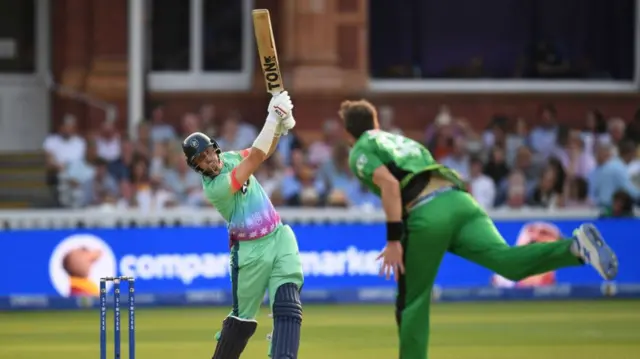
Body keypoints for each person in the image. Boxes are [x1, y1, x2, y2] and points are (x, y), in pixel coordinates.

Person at [338, 99, 619, 359]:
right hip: (462, 202)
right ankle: (574, 248)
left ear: (348, 134)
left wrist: (394, 240)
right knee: (508, 262)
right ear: (376, 122)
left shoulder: (361, 149)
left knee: (412, 301)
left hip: (427, 211)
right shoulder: (401, 140)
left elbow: (389, 185)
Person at [182, 92, 303, 359]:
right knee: (242, 321)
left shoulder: (231, 157)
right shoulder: (215, 188)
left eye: (207, 154)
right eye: (199, 160)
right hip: (250, 253)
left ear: (214, 148)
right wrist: (273, 117)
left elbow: (263, 151)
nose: (208, 161)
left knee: (288, 304)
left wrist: (281, 128)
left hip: (278, 235)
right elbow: (256, 158)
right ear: (196, 167)